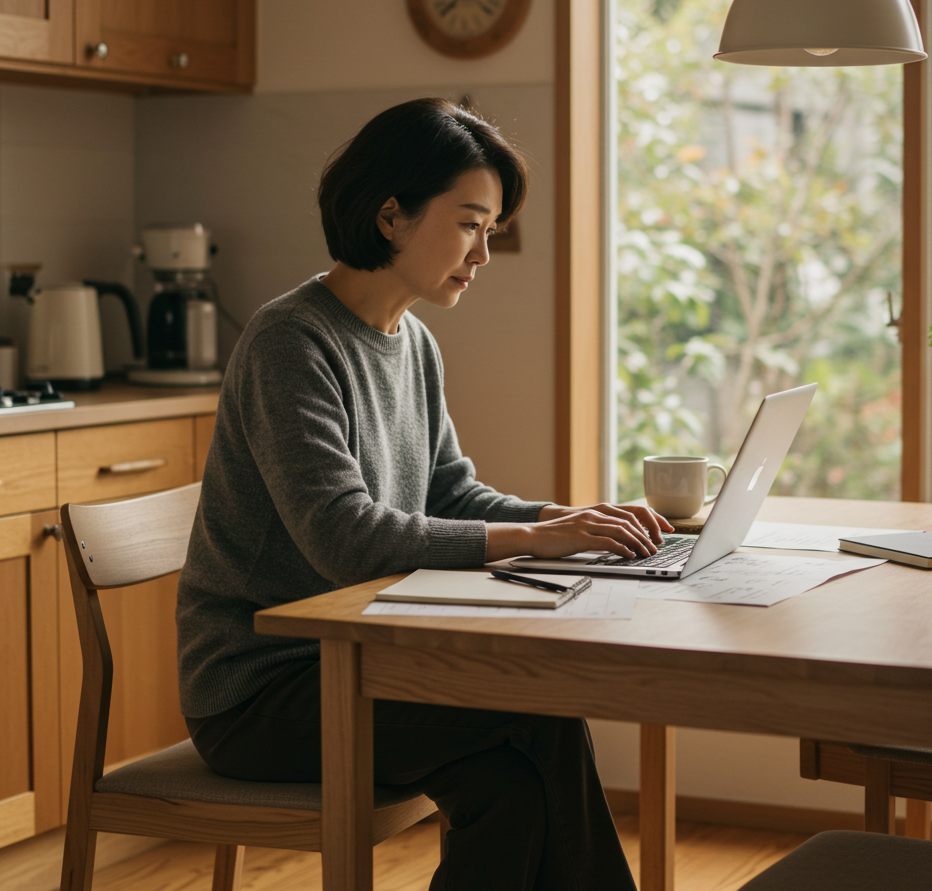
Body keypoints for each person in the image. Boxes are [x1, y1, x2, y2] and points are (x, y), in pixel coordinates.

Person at [176, 97, 673, 890]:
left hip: (359, 664)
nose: (484, 253)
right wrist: (532, 541)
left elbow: (450, 491)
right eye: (471, 223)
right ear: (390, 216)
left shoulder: (413, 342)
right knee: (539, 715)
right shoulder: (288, 342)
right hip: (264, 690)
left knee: (509, 793)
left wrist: (563, 520)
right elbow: (343, 539)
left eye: (492, 229)